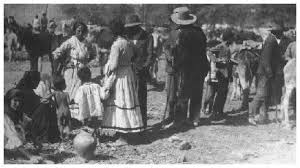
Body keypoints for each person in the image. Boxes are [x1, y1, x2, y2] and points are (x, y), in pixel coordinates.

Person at [102, 17, 144, 146]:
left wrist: (107, 70)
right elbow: (135, 56)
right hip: (128, 73)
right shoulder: (128, 42)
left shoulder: (116, 44)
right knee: (127, 100)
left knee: (120, 101)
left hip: (120, 76)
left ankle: (123, 137)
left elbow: (114, 65)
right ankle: (124, 132)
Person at [165, 7, 209, 128]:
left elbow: (181, 54)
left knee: (183, 93)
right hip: (201, 67)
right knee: (197, 93)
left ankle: (180, 120)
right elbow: (203, 49)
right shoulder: (199, 31)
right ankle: (194, 118)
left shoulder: (181, 34)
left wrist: (175, 65)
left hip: (186, 68)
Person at [16, 71, 60, 148]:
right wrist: (48, 92)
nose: (38, 83)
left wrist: (44, 100)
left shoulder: (27, 88)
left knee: (48, 105)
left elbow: (37, 100)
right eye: (37, 81)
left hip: (29, 115)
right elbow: (36, 102)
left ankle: (52, 135)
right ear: (32, 81)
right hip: (25, 118)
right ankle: (45, 136)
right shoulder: (25, 91)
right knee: (45, 107)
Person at [125, 14, 154, 128]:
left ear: (138, 26)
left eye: (133, 26)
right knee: (128, 98)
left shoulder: (147, 36)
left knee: (141, 98)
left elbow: (150, 55)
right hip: (128, 72)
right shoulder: (126, 36)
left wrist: (144, 67)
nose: (130, 29)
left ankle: (142, 125)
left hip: (141, 72)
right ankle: (131, 125)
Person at [248, 24, 281, 125]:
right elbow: (266, 59)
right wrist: (270, 73)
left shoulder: (269, 40)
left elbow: (266, 58)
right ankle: (251, 115)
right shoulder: (270, 41)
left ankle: (263, 117)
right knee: (261, 95)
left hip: (264, 72)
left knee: (265, 95)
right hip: (265, 73)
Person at [52, 21, 94, 100]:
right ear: (74, 31)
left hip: (84, 72)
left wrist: (87, 62)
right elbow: (56, 53)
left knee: (83, 95)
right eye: (78, 31)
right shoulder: (71, 41)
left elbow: (92, 54)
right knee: (71, 94)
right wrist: (64, 64)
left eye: (82, 31)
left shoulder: (86, 42)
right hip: (73, 71)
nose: (80, 33)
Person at [202, 29, 234, 121]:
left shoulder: (228, 47)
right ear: (228, 39)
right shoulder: (220, 46)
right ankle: (213, 112)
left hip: (226, 74)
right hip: (219, 74)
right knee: (217, 94)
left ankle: (220, 111)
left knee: (223, 94)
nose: (233, 40)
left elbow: (227, 60)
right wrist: (217, 60)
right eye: (232, 38)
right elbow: (209, 52)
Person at [4, 89, 42, 162]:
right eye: (15, 100)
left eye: (20, 101)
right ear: (9, 101)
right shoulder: (4, 117)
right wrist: (30, 156)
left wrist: (35, 140)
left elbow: (30, 123)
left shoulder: (18, 114)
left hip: (17, 150)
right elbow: (13, 137)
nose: (18, 104)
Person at [51, 75, 71, 141]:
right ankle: (67, 136)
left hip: (59, 111)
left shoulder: (55, 93)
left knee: (60, 124)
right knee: (67, 124)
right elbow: (68, 102)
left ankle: (62, 136)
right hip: (66, 110)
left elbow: (49, 96)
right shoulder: (66, 94)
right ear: (63, 85)